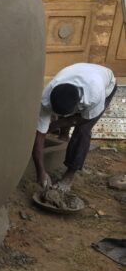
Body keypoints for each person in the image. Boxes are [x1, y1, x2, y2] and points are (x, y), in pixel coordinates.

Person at [32, 63, 117, 191]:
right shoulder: (46, 97)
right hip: (80, 74)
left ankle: (69, 175)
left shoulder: (94, 96)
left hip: (106, 83)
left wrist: (56, 124)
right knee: (53, 122)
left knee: (83, 131)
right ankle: (63, 137)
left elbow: (83, 119)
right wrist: (41, 171)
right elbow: (39, 134)